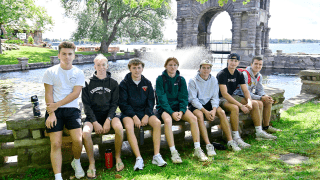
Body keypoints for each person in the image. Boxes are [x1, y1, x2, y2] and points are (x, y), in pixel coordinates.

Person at [42, 41, 85, 180]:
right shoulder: (50, 72)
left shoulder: (78, 72)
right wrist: (51, 113)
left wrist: (57, 104)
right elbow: (48, 93)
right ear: (59, 55)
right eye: (64, 54)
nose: (67, 57)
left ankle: (76, 162)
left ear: (74, 55)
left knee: (78, 140)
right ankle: (58, 176)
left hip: (72, 109)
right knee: (55, 143)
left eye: (70, 54)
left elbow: (75, 94)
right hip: (55, 111)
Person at [216, 53, 276, 149]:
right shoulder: (222, 74)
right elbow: (225, 94)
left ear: (238, 63)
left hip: (234, 96)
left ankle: (259, 132)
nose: (233, 63)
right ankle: (236, 137)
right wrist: (241, 106)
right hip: (221, 99)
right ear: (228, 61)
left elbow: (245, 90)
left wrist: (248, 102)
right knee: (235, 108)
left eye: (236, 61)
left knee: (255, 103)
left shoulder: (239, 74)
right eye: (231, 60)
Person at [156, 57, 208, 163]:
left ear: (177, 66)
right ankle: (173, 152)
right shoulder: (160, 79)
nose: (173, 67)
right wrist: (171, 112)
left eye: (175, 65)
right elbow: (162, 98)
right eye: (170, 65)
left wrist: (181, 111)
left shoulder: (181, 79)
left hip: (178, 108)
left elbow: (184, 97)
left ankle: (197, 149)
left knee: (193, 118)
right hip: (165, 108)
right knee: (167, 120)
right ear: (165, 66)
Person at [119, 58, 167, 171]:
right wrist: (134, 117)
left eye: (139, 67)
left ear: (142, 68)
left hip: (144, 112)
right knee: (129, 126)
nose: (137, 70)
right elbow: (122, 103)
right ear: (130, 68)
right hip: (129, 113)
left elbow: (151, 100)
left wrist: (146, 115)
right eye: (134, 68)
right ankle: (139, 158)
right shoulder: (124, 84)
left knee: (157, 123)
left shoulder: (147, 82)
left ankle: (156, 155)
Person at [81, 54, 124, 178]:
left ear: (107, 66)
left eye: (103, 64)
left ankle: (117, 157)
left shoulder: (114, 83)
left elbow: (114, 104)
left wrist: (108, 119)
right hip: (93, 116)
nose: (101, 67)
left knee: (119, 128)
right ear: (94, 66)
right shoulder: (87, 83)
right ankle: (91, 163)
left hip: (109, 115)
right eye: (98, 65)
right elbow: (86, 106)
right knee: (85, 132)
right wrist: (94, 122)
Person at [188, 60, 241, 152]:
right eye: (203, 68)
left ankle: (230, 141)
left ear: (210, 69)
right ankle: (208, 145)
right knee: (200, 116)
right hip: (196, 104)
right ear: (199, 69)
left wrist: (213, 110)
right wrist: (205, 111)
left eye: (208, 68)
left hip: (209, 103)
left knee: (221, 112)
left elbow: (215, 97)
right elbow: (193, 100)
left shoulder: (213, 80)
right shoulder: (192, 81)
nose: (206, 70)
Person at [233, 56, 282, 133]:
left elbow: (260, 90)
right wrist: (260, 98)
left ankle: (266, 127)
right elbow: (245, 93)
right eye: (256, 64)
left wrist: (265, 96)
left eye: (260, 64)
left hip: (248, 95)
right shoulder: (244, 75)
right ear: (251, 64)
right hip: (239, 95)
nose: (258, 66)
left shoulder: (259, 76)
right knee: (259, 103)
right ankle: (259, 130)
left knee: (268, 101)